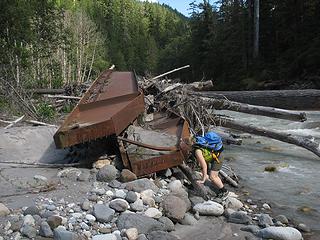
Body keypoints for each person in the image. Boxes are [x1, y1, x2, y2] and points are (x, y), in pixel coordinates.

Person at [193, 131, 229, 199]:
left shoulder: (197, 151)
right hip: (212, 156)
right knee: (209, 174)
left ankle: (224, 191)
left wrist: (203, 180)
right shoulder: (198, 144)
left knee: (213, 177)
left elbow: (204, 166)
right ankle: (215, 183)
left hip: (218, 157)